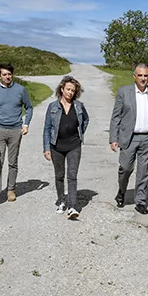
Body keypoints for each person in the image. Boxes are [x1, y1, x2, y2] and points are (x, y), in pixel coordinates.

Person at [109, 63, 148, 215]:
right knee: (125, 168)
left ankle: (140, 201)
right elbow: (116, 117)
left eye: (145, 75)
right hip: (129, 138)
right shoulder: (124, 92)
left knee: (143, 171)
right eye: (140, 75)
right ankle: (121, 191)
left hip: (146, 137)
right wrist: (113, 138)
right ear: (134, 76)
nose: (143, 78)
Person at [0, 63, 33, 205]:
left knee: (13, 162)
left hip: (15, 130)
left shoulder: (20, 90)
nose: (7, 77)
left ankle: (11, 190)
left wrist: (26, 124)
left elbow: (29, 107)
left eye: (9, 74)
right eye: (4, 74)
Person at [43, 75, 90, 220]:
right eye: (68, 89)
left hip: (74, 145)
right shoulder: (53, 107)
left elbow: (86, 120)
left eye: (73, 91)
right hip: (56, 146)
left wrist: (79, 133)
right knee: (59, 175)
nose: (70, 93)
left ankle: (72, 206)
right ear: (62, 89)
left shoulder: (79, 106)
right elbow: (47, 128)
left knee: (72, 175)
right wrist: (46, 148)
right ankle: (61, 201)